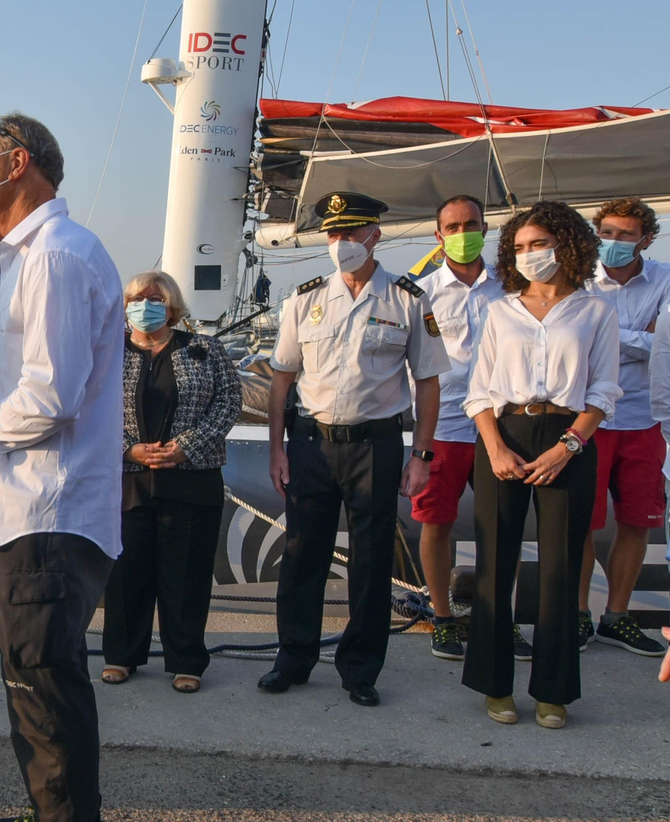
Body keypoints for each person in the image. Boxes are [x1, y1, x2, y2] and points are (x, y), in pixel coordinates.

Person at [0, 113, 124, 822]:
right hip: (34, 503)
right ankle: (61, 812)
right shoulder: (32, 258)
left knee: (42, 677)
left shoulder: (54, 255)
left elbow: (48, 395)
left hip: (50, 503)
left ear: (17, 165)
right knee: (37, 674)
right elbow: (19, 376)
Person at [262, 191, 450, 708]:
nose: (341, 243)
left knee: (369, 561)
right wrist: (277, 450)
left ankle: (360, 668)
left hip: (376, 444)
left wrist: (422, 455)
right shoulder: (304, 299)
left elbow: (428, 383)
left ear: (374, 236)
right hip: (311, 445)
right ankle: (293, 657)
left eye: (351, 234)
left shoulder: (408, 300)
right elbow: (281, 381)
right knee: (302, 555)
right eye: (333, 234)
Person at [462, 200, 620, 729]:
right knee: (494, 563)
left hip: (568, 437)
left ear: (566, 245)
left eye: (540, 245)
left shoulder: (596, 310)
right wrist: (496, 447)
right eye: (521, 247)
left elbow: (603, 392)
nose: (530, 255)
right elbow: (479, 390)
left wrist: (567, 447)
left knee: (559, 569)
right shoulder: (499, 310)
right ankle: (493, 684)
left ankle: (553, 690)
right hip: (503, 434)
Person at [99, 271, 239, 693]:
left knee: (187, 577)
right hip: (128, 480)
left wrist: (186, 446)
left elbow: (229, 401)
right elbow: (91, 409)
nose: (145, 304)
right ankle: (122, 657)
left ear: (171, 305)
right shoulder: (108, 353)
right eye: (136, 298)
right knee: (126, 576)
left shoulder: (203, 349)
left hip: (191, 481)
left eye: (154, 298)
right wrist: (128, 448)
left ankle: (186, 661)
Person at [408, 196, 516, 661]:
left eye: (471, 224)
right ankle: (443, 618)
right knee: (437, 524)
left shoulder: (512, 289)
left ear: (486, 228)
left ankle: (498, 621)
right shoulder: (420, 293)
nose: (462, 232)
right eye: (452, 226)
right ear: (438, 236)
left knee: (501, 527)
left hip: (502, 427)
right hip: (444, 427)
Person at [579, 198, 669, 658]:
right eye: (607, 233)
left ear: (647, 239)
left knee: (638, 521)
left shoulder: (666, 278)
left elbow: (665, 346)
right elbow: (573, 342)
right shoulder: (577, 279)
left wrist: (604, 334)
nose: (613, 242)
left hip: (643, 417)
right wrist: (644, 337)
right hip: (588, 417)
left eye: (625, 234)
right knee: (582, 524)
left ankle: (616, 617)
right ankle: (577, 617)